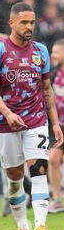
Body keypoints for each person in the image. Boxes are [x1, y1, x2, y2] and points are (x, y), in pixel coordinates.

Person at [0, 2, 64, 230]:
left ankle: (40, 225)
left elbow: (46, 89)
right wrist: (8, 113)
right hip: (7, 122)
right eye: (24, 22)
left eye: (32, 22)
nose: (30, 26)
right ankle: (22, 227)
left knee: (38, 170)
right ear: (12, 23)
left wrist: (54, 123)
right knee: (14, 177)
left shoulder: (41, 50)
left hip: (36, 120)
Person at [48, 38, 64, 213]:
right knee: (53, 159)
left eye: (56, 52)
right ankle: (57, 200)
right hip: (58, 126)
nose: (53, 55)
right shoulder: (52, 74)